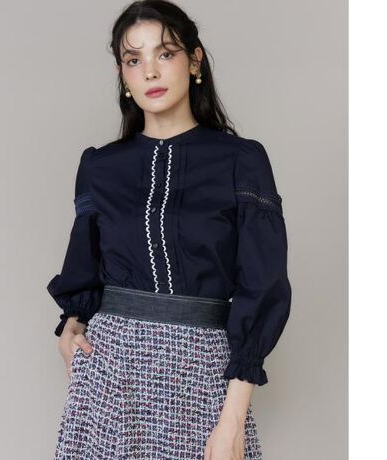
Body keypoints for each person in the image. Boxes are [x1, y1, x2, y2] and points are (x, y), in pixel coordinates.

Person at [46, 1, 292, 459]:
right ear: (122, 74)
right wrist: (72, 326)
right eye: (133, 59)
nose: (150, 71)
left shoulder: (241, 161)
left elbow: (264, 286)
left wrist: (232, 421)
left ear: (194, 61)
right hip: (111, 374)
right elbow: (83, 270)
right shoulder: (100, 167)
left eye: (165, 53)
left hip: (204, 372)